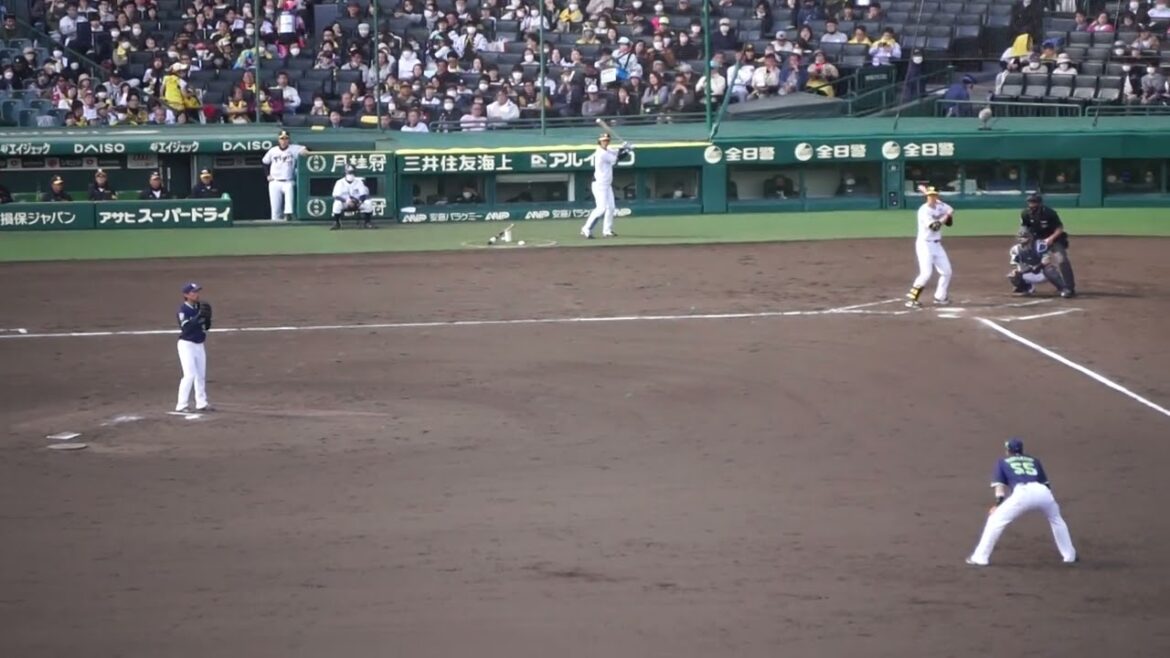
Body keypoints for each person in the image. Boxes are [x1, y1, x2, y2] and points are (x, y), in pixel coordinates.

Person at [966, 438, 1077, 566]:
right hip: (1043, 492)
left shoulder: (1002, 461)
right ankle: (1070, 555)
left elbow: (999, 487)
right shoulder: (1034, 460)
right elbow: (1046, 484)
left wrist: (998, 504)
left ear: (1008, 450)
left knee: (995, 520)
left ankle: (980, 557)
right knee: (1057, 520)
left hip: (1023, 492)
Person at [905, 186, 955, 308]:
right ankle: (912, 299)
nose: (931, 198)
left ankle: (940, 297)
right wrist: (946, 216)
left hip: (937, 245)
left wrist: (948, 213)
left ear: (937, 196)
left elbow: (950, 211)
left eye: (933, 195)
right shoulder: (923, 211)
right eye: (929, 195)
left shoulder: (940, 206)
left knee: (947, 272)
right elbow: (935, 227)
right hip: (925, 245)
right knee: (926, 273)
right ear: (926, 197)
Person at [1020, 194, 1076, 297]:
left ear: (1040, 203)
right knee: (1028, 261)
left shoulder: (1049, 213)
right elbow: (1025, 227)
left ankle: (1069, 288)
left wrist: (1050, 239)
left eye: (1034, 202)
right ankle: (1026, 286)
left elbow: (1059, 228)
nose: (1032, 205)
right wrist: (1025, 239)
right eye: (1030, 202)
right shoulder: (1025, 213)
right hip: (1037, 241)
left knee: (1062, 260)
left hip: (1054, 240)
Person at [580, 132, 633, 239]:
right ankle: (586, 228)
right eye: (603, 141)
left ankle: (607, 231)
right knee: (601, 209)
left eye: (607, 140)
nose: (605, 142)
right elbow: (616, 159)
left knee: (611, 208)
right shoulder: (601, 153)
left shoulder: (608, 149)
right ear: (599, 141)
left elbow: (617, 152)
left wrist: (624, 147)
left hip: (607, 185)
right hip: (599, 185)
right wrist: (628, 151)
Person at [175, 282, 213, 413]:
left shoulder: (199, 307)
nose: (196, 294)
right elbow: (186, 327)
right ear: (186, 295)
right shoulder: (183, 310)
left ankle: (201, 403)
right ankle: (181, 405)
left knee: (200, 375)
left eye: (197, 291)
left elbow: (205, 327)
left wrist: (207, 319)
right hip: (187, 345)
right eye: (194, 292)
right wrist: (198, 317)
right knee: (189, 375)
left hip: (199, 345)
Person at [261, 130, 308, 222]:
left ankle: (288, 215)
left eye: (286, 138)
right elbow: (265, 162)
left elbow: (306, 149)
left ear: (289, 139)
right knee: (275, 208)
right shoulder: (273, 150)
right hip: (275, 181)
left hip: (288, 180)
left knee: (289, 198)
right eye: (282, 138)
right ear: (278, 140)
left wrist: (304, 151)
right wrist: (267, 175)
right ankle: (275, 222)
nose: (284, 140)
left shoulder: (294, 148)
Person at [1007, 227, 1064, 295]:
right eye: (1020, 237)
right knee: (1013, 275)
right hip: (1029, 272)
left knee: (1050, 269)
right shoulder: (1015, 250)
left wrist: (1038, 266)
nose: (1021, 239)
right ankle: (1027, 288)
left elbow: (1046, 261)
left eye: (1024, 237)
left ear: (1030, 237)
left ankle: (1063, 288)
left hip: (1043, 273)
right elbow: (1018, 266)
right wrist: (1018, 272)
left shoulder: (1039, 245)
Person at [329, 165, 375, 230]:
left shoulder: (359, 182)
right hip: (345, 203)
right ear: (345, 172)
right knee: (337, 204)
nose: (350, 174)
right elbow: (336, 196)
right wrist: (346, 201)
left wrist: (359, 201)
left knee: (368, 202)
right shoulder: (339, 182)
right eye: (349, 172)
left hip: (357, 202)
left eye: (352, 172)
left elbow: (364, 195)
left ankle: (367, 222)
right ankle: (337, 223)